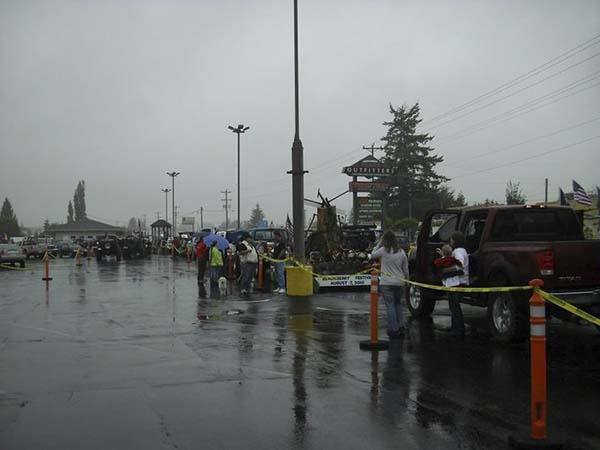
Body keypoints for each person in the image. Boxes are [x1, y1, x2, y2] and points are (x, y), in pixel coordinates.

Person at [370, 231, 409, 339]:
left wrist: (378, 243)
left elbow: (372, 255)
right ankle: (401, 325)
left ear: (385, 240)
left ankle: (394, 329)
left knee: (390, 306)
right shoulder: (401, 252)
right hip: (399, 282)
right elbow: (406, 269)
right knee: (398, 304)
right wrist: (407, 281)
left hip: (386, 283)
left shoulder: (383, 251)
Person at [446, 231, 469, 336]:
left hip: (457, 282)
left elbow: (460, 264)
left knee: (454, 306)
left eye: (451, 239)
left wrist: (447, 268)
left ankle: (458, 329)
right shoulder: (462, 250)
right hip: (460, 281)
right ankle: (455, 327)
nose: (450, 241)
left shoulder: (457, 252)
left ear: (455, 241)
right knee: (454, 306)